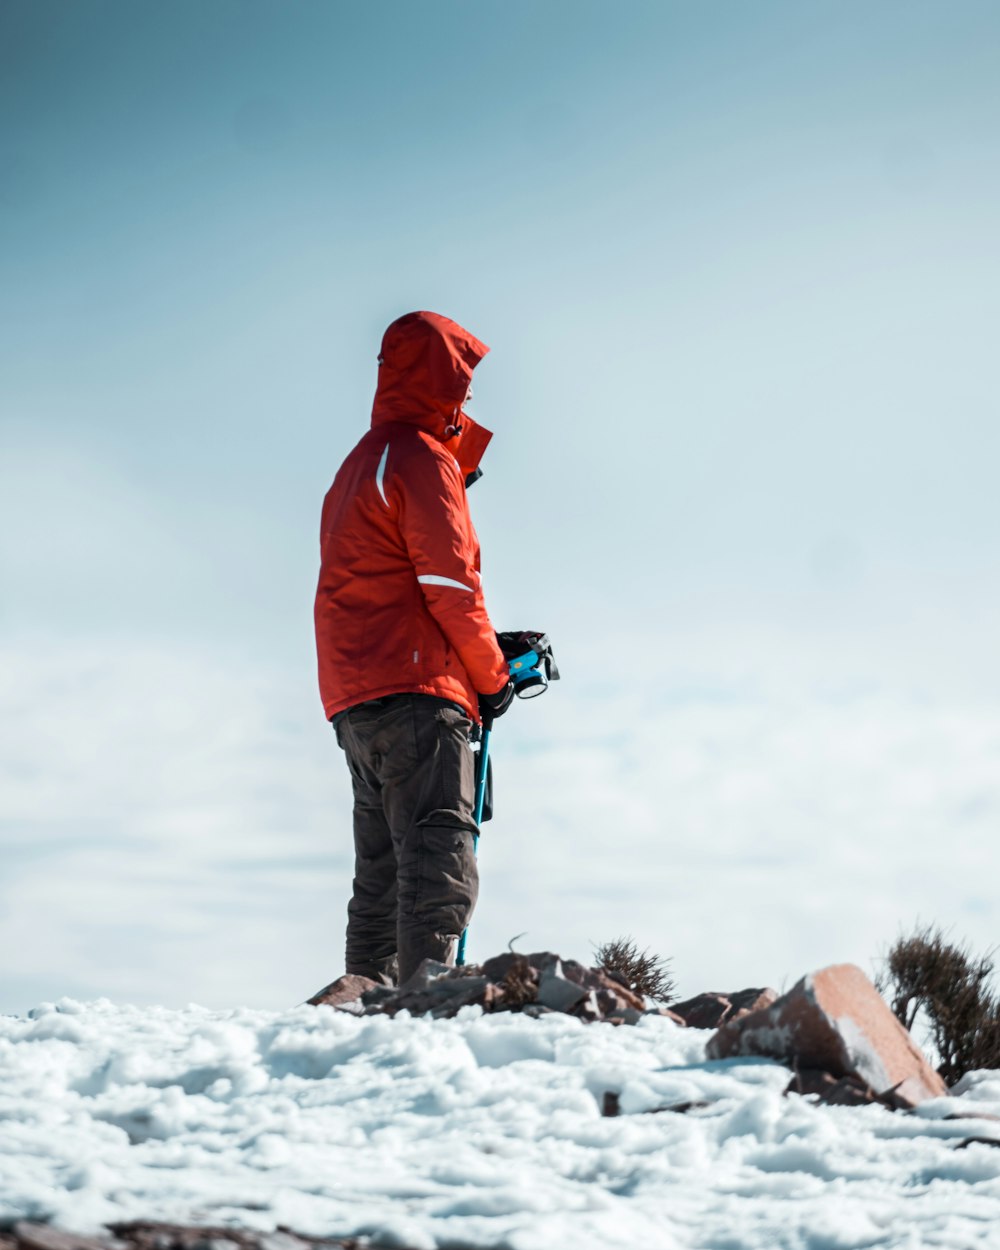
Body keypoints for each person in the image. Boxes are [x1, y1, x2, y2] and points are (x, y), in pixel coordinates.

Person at [314, 310, 514, 986]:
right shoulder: (423, 461)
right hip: (419, 696)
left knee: (380, 874)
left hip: (356, 698)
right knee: (437, 862)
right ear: (443, 381)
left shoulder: (356, 467)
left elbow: (389, 586)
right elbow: (449, 585)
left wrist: (477, 655)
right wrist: (491, 679)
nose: (470, 399)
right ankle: (421, 1022)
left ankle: (360, 1006)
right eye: (464, 383)